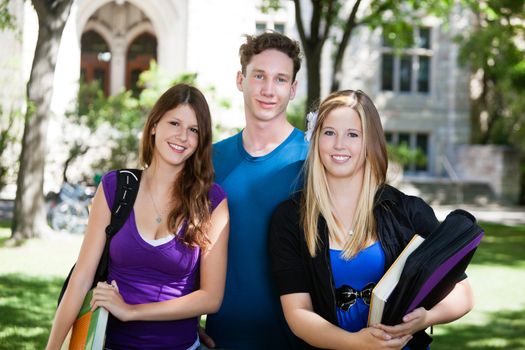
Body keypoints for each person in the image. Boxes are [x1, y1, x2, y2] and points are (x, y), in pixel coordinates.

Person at [269, 90, 474, 350]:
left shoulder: (408, 212)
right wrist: (356, 343)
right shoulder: (290, 218)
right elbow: (298, 313)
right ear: (316, 138)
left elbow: (463, 294)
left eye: (353, 134)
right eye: (329, 132)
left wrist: (425, 318)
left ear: (370, 143)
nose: (339, 144)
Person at [46, 84, 230, 350]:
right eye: (174, 123)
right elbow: (81, 279)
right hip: (111, 344)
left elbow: (210, 298)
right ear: (154, 125)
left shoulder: (212, 201)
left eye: (194, 130)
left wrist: (132, 311)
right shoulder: (115, 187)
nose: (182, 136)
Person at [203, 32, 308, 349]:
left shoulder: (314, 158)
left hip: (299, 337)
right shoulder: (210, 159)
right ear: (240, 79)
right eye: (259, 75)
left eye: (279, 80)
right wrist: (183, 322)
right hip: (222, 336)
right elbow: (184, 246)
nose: (267, 89)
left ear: (292, 89)